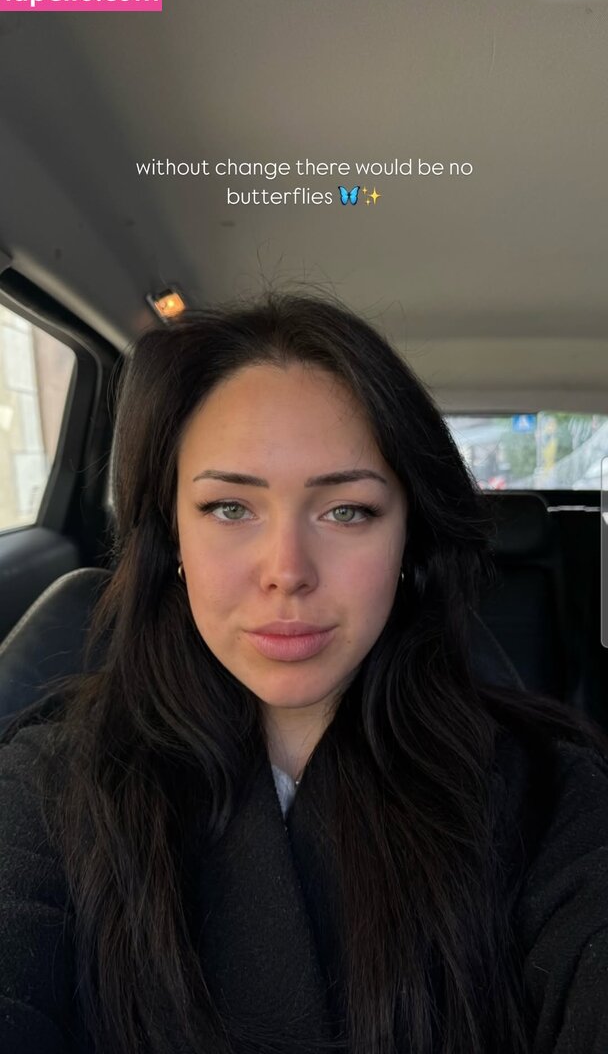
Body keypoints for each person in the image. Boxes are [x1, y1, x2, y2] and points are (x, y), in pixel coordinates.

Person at [1, 290, 608, 1054]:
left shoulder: (549, 793)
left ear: (410, 540)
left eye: (347, 510)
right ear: (173, 537)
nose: (287, 571)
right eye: (229, 508)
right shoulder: (52, 784)